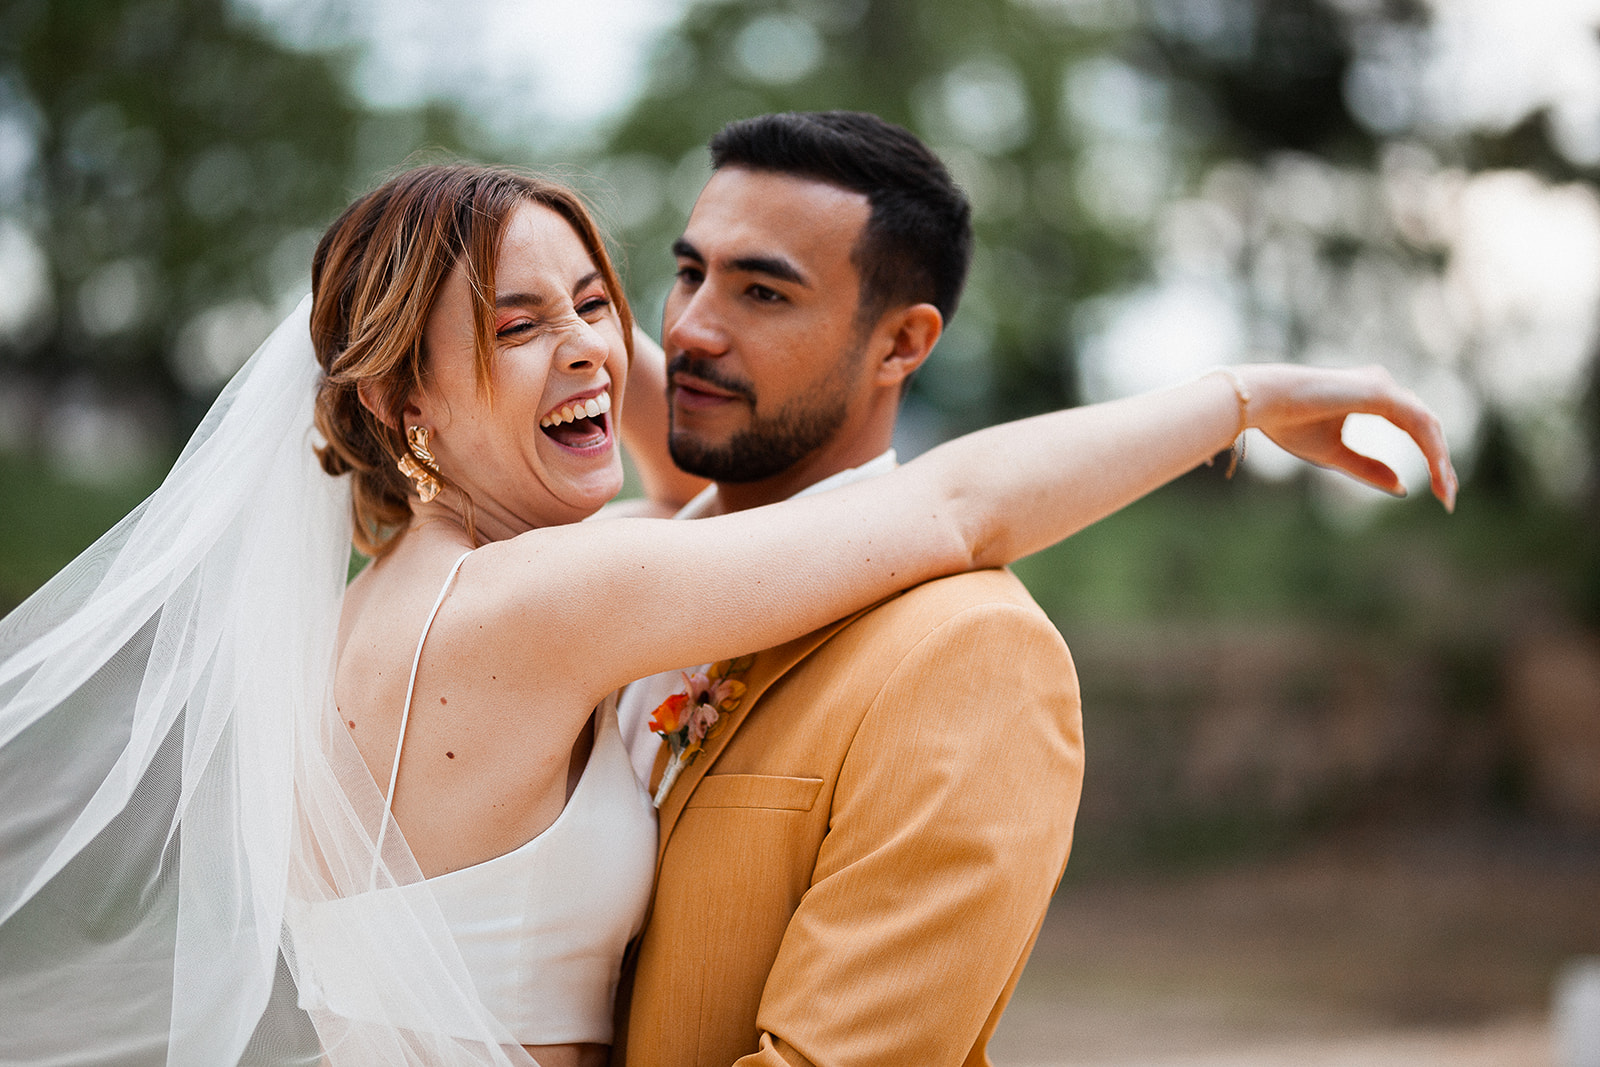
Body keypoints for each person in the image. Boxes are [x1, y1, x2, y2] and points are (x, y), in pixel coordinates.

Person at [0, 153, 1454, 1067]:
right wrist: (1246, 396)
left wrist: (564, 306)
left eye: (599, 302)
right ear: (398, 397)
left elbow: (647, 426)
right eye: (518, 324)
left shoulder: (397, 605)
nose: (603, 348)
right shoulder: (539, 598)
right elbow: (949, 510)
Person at [606, 111, 1457, 1065]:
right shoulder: (611, 574)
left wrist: (1240, 399)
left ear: (902, 345)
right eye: (688, 274)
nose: (689, 329)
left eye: (762, 291)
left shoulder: (969, 653)